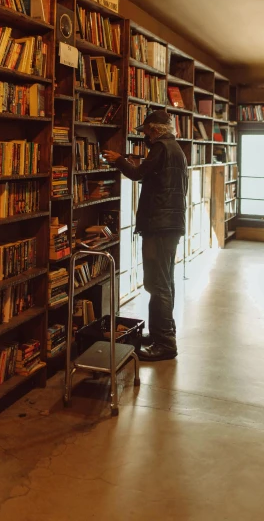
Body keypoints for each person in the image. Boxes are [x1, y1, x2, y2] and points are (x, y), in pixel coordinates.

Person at [102, 110, 188, 362]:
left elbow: (138, 174)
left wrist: (119, 159)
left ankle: (165, 343)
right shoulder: (176, 149)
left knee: (156, 284)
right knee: (164, 281)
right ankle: (163, 333)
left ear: (155, 130)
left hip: (159, 226)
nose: (146, 137)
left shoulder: (162, 148)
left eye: (148, 132)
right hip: (169, 224)